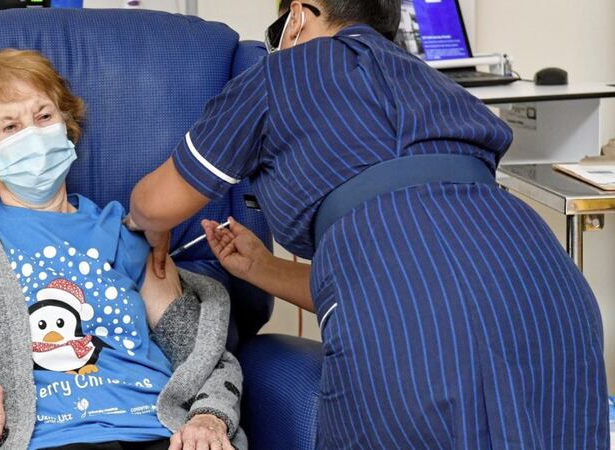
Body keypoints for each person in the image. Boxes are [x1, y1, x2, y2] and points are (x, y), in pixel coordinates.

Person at [127, 1, 609, 448]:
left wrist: (147, 227)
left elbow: (156, 203)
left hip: (410, 324)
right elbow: (428, 268)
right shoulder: (436, 84)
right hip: (549, 293)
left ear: (297, 17)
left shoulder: (281, 73)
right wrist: (263, 268)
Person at [0, 49, 247, 450]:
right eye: (10, 126)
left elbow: (202, 355)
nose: (33, 134)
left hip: (159, 429)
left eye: (44, 116)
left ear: (66, 125)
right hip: (51, 439)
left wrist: (209, 418)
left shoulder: (126, 233)